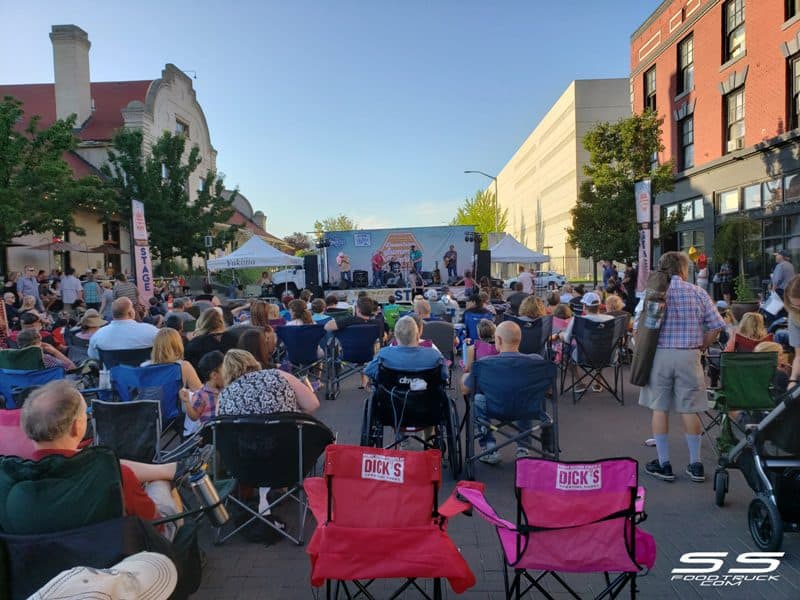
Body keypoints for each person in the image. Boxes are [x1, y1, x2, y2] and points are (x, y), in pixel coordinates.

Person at [20, 380, 205, 545]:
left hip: (50, 567)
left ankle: (168, 469)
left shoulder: (14, 479)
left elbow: (104, 462)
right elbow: (155, 528)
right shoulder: (115, 477)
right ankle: (182, 553)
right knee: (160, 484)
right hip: (121, 560)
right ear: (77, 427)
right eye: (86, 415)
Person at [639, 251, 725, 483]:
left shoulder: (655, 292)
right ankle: (695, 464)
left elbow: (641, 325)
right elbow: (717, 325)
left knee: (659, 408)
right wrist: (701, 347)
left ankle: (664, 463)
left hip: (660, 356)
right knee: (690, 409)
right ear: (684, 269)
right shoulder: (698, 292)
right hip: (689, 355)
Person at [218, 349, 320, 515]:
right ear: (253, 362)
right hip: (288, 462)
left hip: (245, 467)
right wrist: (291, 416)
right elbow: (313, 404)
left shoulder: (224, 396)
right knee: (286, 435)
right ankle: (279, 488)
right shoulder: (279, 375)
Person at [461, 321, 548, 464]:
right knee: (526, 397)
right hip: (527, 409)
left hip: (494, 408)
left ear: (499, 340)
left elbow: (465, 389)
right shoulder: (536, 361)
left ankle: (489, 448)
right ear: (519, 339)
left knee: (477, 399)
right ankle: (523, 449)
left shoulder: (484, 364)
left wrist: (464, 376)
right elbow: (548, 389)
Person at [364, 316, 447, 382]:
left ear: (395, 336)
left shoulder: (383, 354)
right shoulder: (434, 355)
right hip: (426, 399)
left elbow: (369, 371)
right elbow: (444, 375)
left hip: (392, 398)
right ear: (418, 335)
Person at [88, 298, 159, 360]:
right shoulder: (152, 331)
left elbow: (93, 356)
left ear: (113, 314)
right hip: (144, 373)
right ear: (131, 313)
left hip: (112, 374)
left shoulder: (98, 335)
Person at [183, 350, 224, 429]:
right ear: (214, 375)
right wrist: (187, 402)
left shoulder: (226, 389)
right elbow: (194, 416)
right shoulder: (201, 395)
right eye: (225, 370)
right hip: (210, 432)